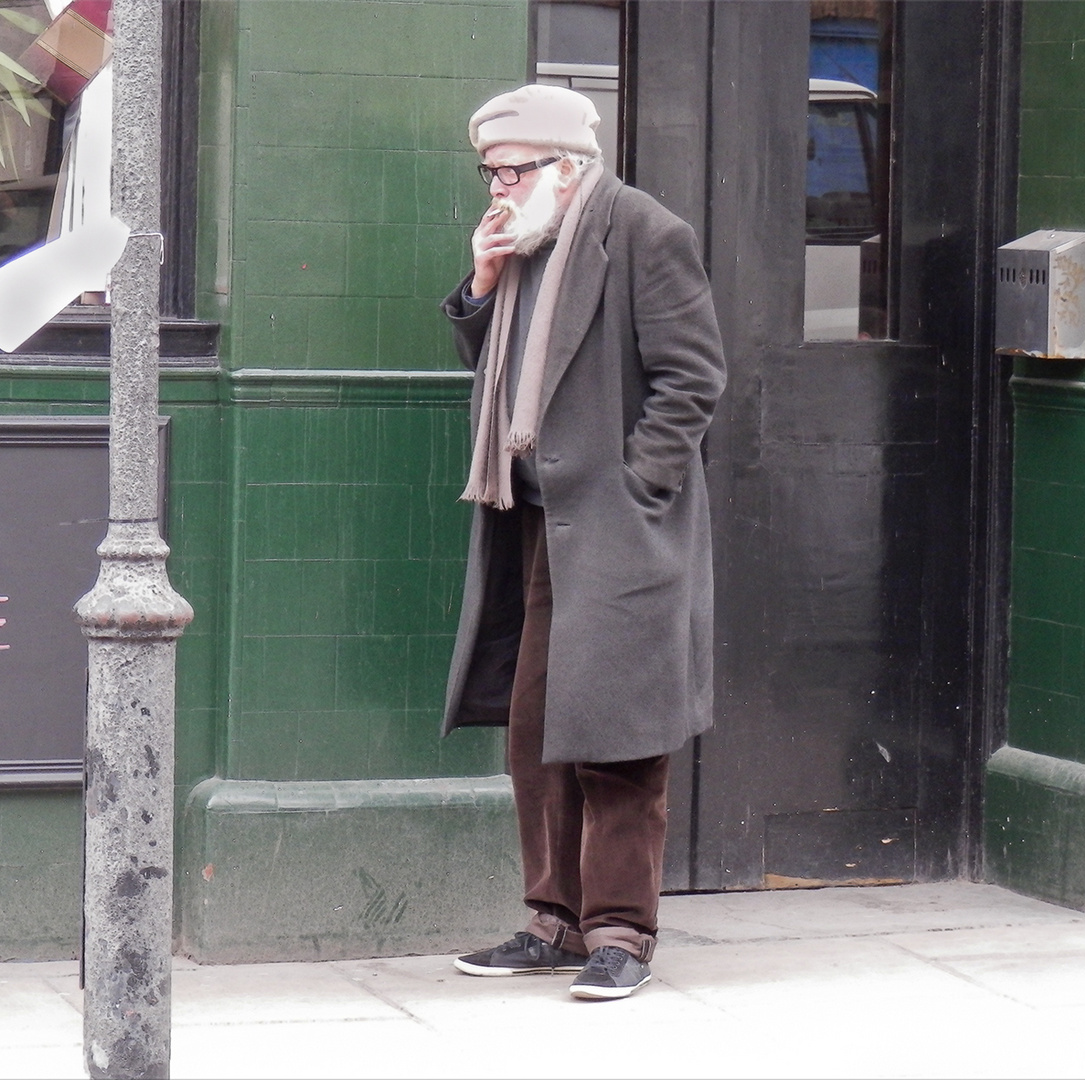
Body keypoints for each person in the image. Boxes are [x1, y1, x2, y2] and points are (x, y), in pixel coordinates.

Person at [440, 85, 726, 1001]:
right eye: (489, 170)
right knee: (537, 731)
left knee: (619, 738)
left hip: (619, 529)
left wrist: (638, 485)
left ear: (565, 168)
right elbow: (498, 372)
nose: (496, 188)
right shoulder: (525, 244)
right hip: (535, 525)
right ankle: (553, 921)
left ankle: (620, 933)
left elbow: (693, 379)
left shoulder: (643, 231)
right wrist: (480, 289)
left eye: (511, 171)